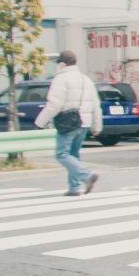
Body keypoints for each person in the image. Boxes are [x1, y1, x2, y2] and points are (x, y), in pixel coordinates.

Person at [35, 50, 102, 196]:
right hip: (84, 123)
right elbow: (96, 105)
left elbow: (54, 104)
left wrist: (40, 122)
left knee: (62, 154)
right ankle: (74, 188)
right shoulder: (86, 80)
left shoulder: (60, 79)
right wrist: (97, 126)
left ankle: (86, 176)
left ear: (62, 64)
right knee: (73, 155)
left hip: (68, 122)